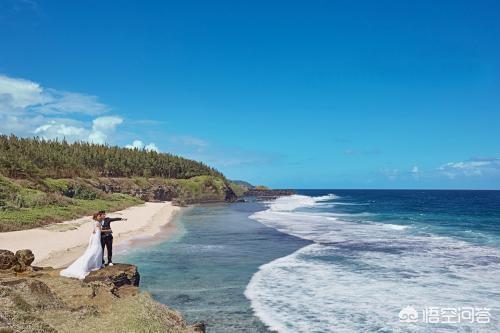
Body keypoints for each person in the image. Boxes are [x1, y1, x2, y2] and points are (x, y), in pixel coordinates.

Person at [60, 213, 103, 279]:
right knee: (97, 249)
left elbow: (94, 231)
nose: (100, 217)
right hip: (97, 236)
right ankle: (93, 264)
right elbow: (100, 230)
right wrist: (109, 230)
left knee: (95, 249)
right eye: (99, 216)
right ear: (96, 217)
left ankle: (92, 263)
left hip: (95, 236)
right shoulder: (98, 222)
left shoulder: (95, 222)